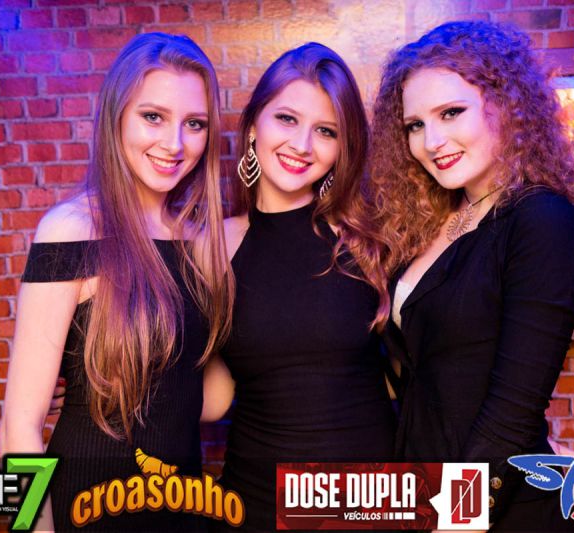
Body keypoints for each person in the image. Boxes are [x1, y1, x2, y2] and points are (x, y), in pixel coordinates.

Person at [370, 21, 574, 531]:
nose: (432, 141)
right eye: (414, 125)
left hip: (495, 508)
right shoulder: (437, 220)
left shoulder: (541, 219)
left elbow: (512, 416)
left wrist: (457, 518)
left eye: (451, 113)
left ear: (506, 106)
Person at [0, 33, 233, 531]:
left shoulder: (199, 241)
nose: (174, 144)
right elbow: (20, 423)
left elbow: (209, 401)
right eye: (153, 117)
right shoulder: (71, 230)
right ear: (116, 117)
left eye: (194, 124)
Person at [201, 43, 396, 531]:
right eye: (286, 119)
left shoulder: (369, 240)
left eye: (326, 131)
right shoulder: (211, 246)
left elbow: (430, 371)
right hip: (256, 503)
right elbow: (217, 395)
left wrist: (523, 445)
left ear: (342, 148)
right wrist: (103, 387)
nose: (302, 145)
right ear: (253, 126)